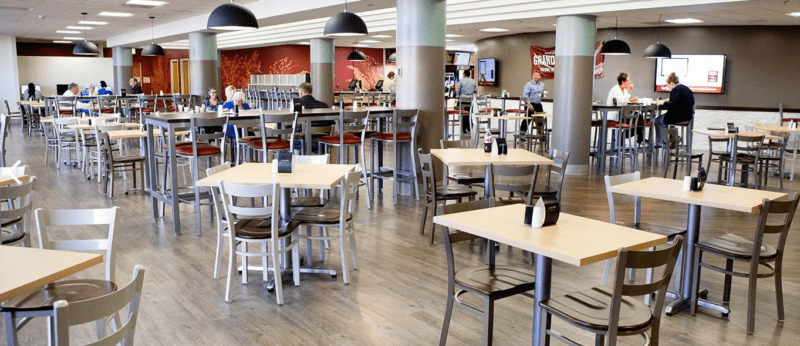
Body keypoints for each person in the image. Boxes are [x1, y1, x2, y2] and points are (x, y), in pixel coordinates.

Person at [655, 72, 695, 147]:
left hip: (679, 116)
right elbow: (678, 102)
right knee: (668, 120)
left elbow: (672, 105)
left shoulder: (675, 89)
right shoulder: (684, 88)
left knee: (658, 121)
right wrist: (668, 101)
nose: (668, 87)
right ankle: (675, 138)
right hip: (688, 116)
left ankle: (660, 142)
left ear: (672, 83)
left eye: (668, 85)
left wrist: (663, 102)